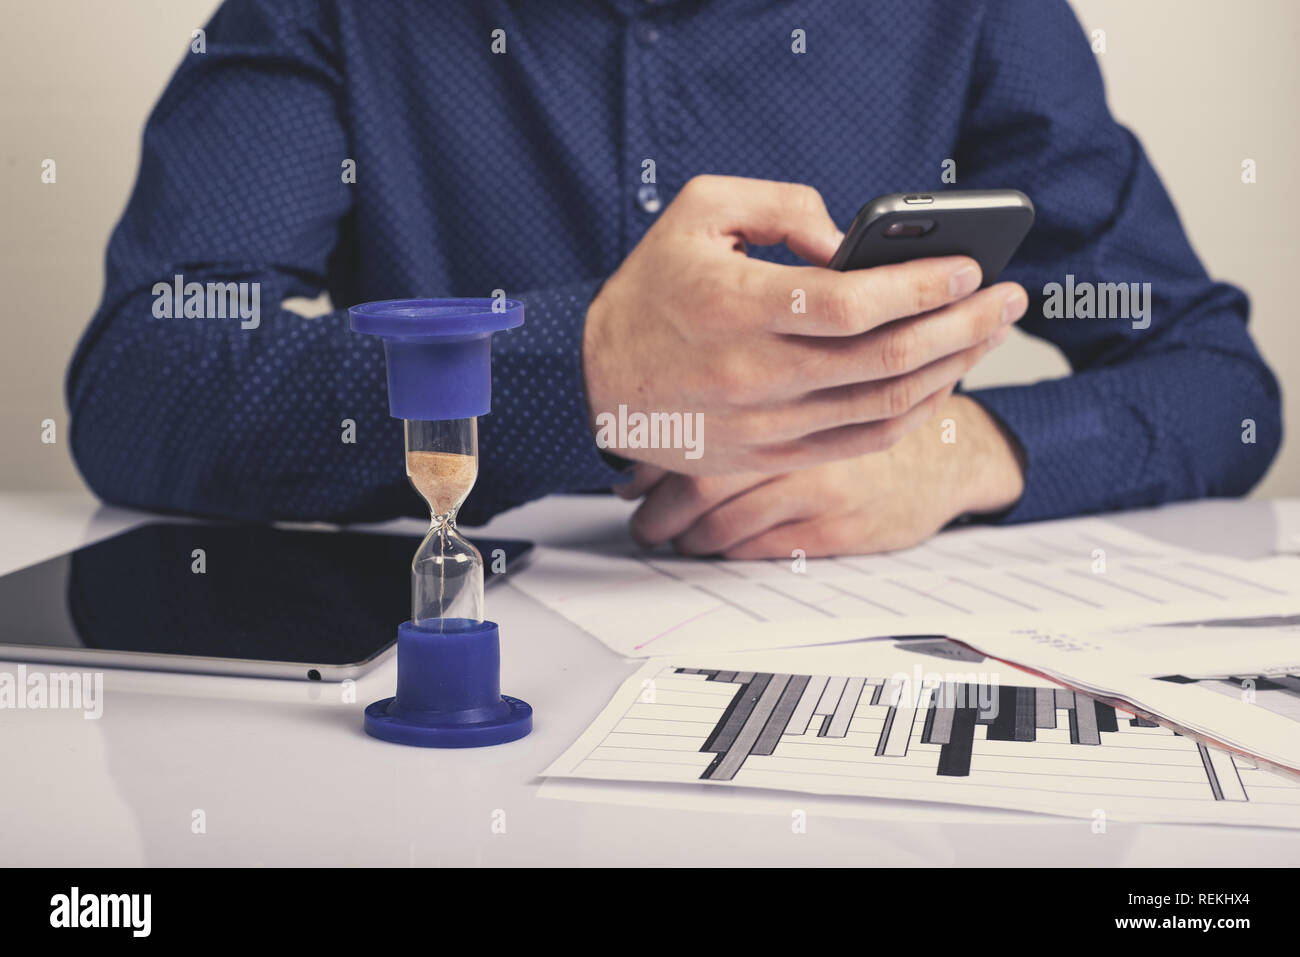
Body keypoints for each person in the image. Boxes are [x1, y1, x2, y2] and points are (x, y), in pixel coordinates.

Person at [67, 0, 1281, 558]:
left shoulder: (974, 16)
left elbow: (1220, 388)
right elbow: (135, 385)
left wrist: (953, 455)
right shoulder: (325, 12)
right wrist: (582, 371)